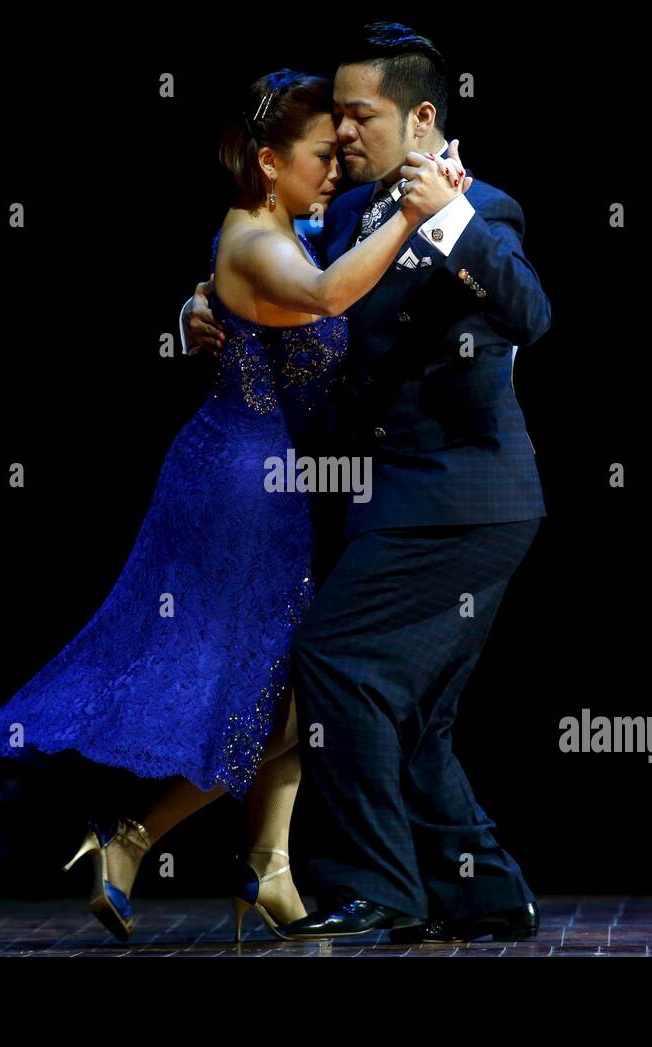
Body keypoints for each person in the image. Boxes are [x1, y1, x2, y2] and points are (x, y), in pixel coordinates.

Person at [0, 67, 464, 944]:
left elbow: (264, 285)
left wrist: (195, 306)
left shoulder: (279, 223)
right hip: (242, 482)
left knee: (288, 682)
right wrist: (418, 217)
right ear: (271, 164)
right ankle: (133, 839)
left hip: (262, 472)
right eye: (321, 153)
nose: (337, 164)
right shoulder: (260, 243)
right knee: (260, 694)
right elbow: (322, 295)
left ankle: (265, 864)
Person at [182, 23, 551, 943]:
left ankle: (382, 884)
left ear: (421, 117)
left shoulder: (486, 209)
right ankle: (487, 890)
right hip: (394, 496)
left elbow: (532, 314)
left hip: (464, 499)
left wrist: (450, 220)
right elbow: (271, 266)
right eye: (337, 116)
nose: (342, 132)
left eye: (360, 114)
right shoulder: (346, 216)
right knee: (413, 710)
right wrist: (197, 304)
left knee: (336, 659)